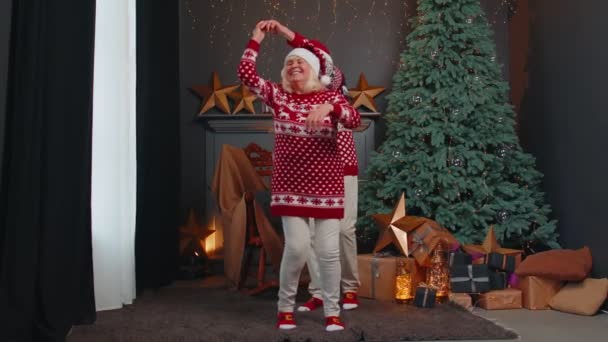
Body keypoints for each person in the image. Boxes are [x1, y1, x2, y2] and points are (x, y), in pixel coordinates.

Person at [237, 20, 361, 332]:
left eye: (301, 62)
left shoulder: (331, 96)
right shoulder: (278, 96)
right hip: (291, 187)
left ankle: (332, 312)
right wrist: (256, 39)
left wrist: (332, 110)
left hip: (327, 187)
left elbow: (355, 118)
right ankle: (285, 307)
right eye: (290, 62)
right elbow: (247, 75)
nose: (294, 64)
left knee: (329, 252)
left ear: (314, 70)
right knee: (296, 248)